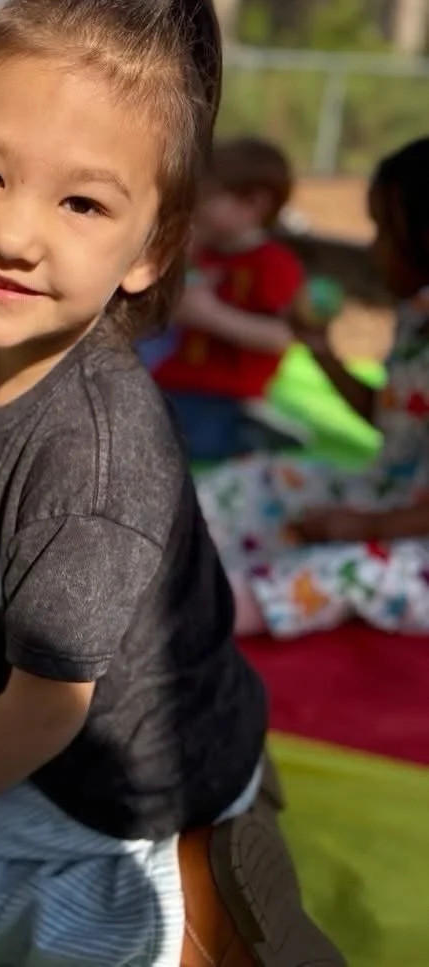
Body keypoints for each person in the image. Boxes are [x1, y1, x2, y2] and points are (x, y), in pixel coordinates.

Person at [0, 0, 344, 967]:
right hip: (124, 709)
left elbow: (48, 708)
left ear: (151, 249)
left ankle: (181, 919)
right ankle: (225, 804)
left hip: (127, 768)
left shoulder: (96, 462)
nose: (12, 236)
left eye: (80, 201)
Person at [197, 137, 429, 639]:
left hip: (415, 540)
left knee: (350, 571)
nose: (374, 249)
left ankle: (202, 615)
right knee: (262, 479)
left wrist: (361, 528)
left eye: (384, 231)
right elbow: (390, 418)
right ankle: (168, 544)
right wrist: (323, 351)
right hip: (385, 494)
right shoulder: (416, 318)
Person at [152, 138, 305, 461]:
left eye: (209, 197)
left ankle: (252, 434)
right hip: (175, 381)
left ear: (255, 204)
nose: (198, 207)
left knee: (180, 440)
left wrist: (212, 315)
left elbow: (281, 336)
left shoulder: (273, 264)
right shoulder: (205, 254)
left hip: (225, 394)